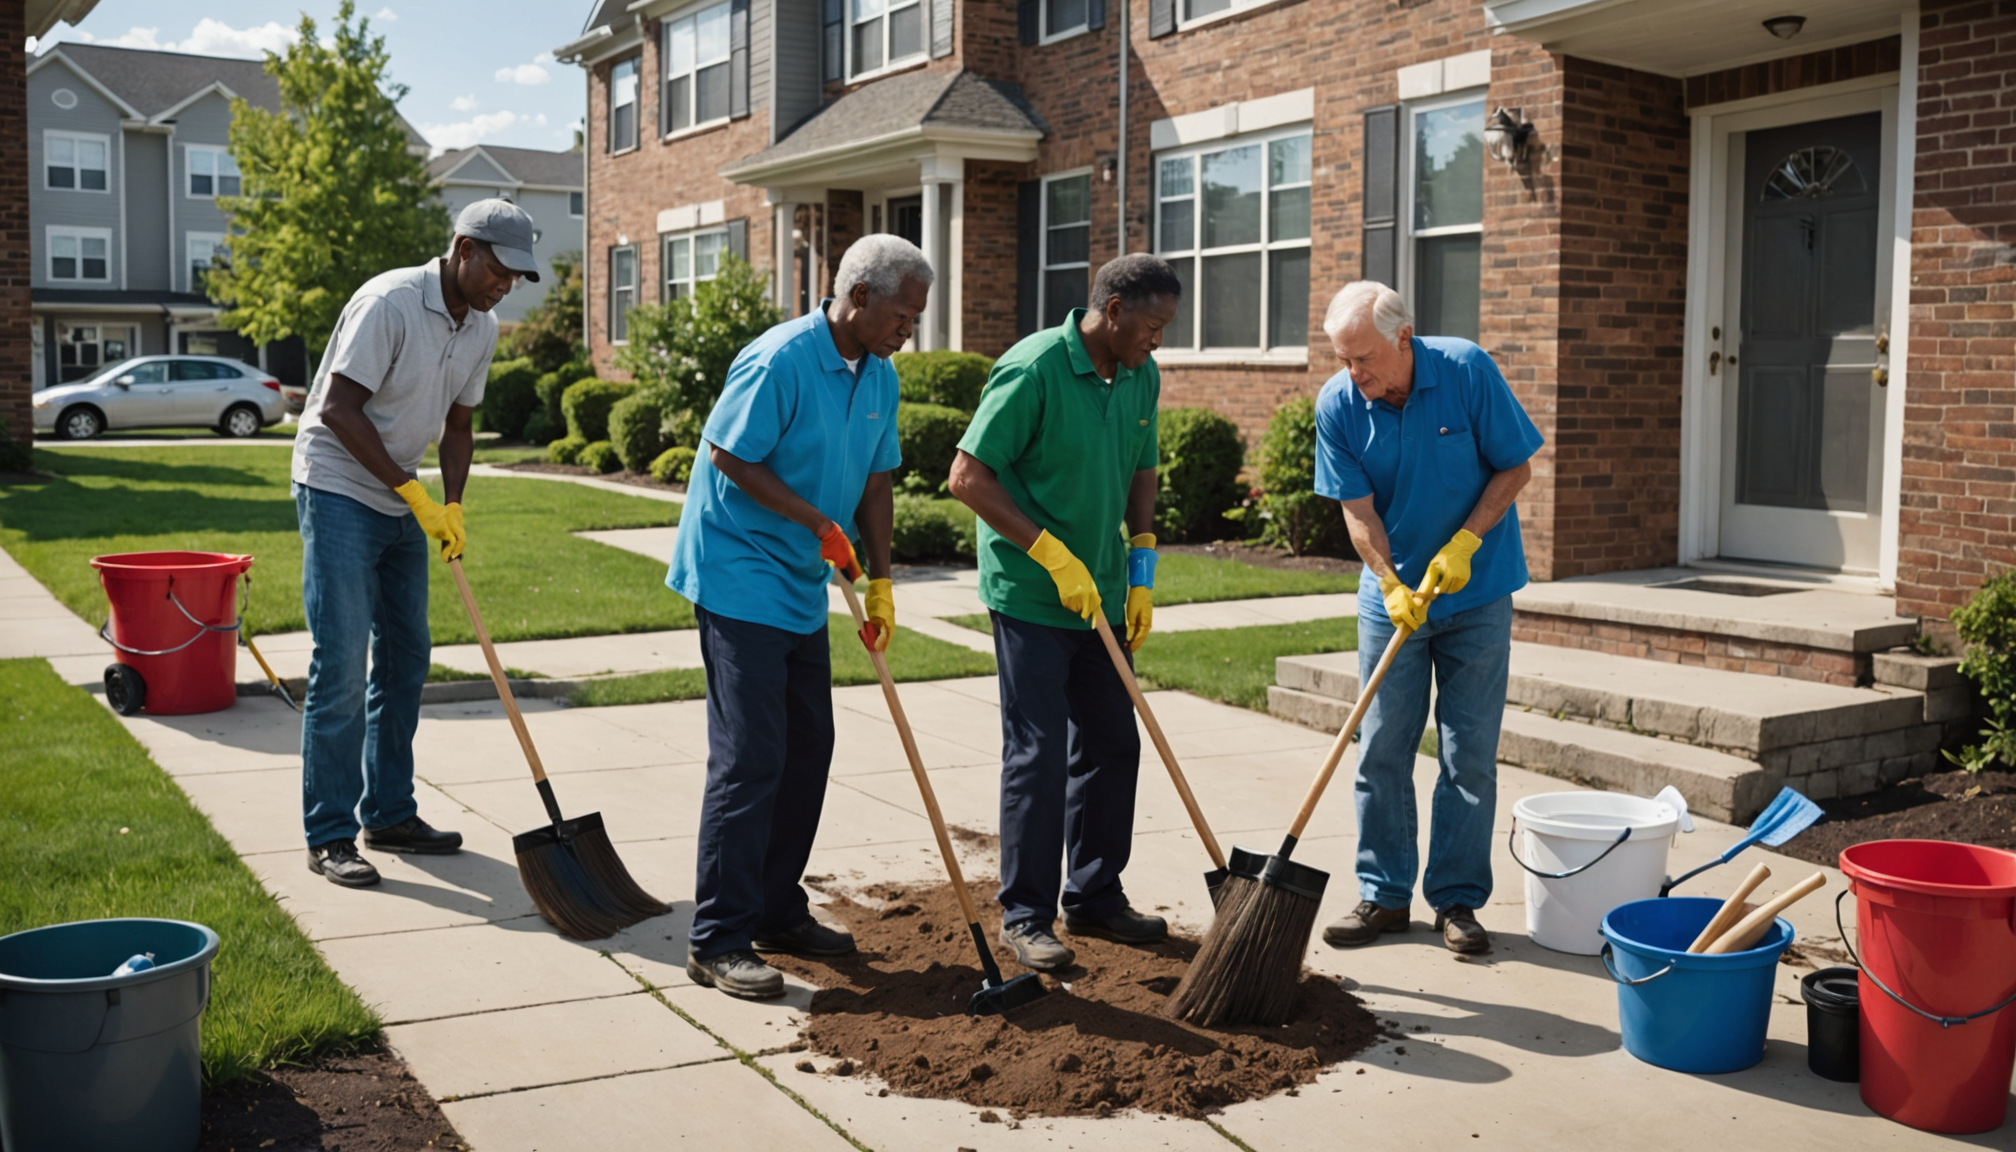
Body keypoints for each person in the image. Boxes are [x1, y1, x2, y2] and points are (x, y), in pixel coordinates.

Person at [667, 234, 928, 999]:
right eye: (901, 314)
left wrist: (881, 581)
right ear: (856, 298)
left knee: (808, 744)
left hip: (800, 579)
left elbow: (878, 481)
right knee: (752, 755)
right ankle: (716, 938)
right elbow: (728, 457)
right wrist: (819, 524)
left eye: (916, 317)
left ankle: (776, 909)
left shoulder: (879, 378)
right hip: (736, 567)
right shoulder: (779, 359)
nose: (909, 329)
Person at [291, 199, 540, 886]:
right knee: (341, 660)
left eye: (517, 276)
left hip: (408, 495)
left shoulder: (482, 326)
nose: (504, 285)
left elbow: (459, 425)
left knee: (408, 657)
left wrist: (451, 504)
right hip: (338, 484)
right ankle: (331, 833)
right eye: (498, 268)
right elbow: (337, 409)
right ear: (463, 248)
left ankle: (390, 811)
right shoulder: (389, 302)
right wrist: (412, 493)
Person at [947, 254, 1183, 971]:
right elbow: (967, 477)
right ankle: (1025, 914)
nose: (1158, 340)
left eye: (1165, 328)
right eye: (1151, 325)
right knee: (1039, 753)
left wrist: (1140, 563)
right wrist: (1049, 554)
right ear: (1112, 311)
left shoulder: (1141, 374)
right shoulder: (1034, 368)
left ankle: (1095, 896)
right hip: (1032, 595)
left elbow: (1142, 466)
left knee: (1114, 743)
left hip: (1104, 593)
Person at [1312, 281, 1543, 954]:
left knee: (1467, 754)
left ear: (1404, 338)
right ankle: (1383, 896)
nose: (1354, 374)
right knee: (1381, 747)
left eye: (1363, 358)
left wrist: (1467, 542)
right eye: (1343, 359)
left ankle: (1457, 901)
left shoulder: (1467, 370)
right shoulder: (1339, 405)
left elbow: (1515, 467)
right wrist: (1388, 585)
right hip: (1394, 602)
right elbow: (1358, 512)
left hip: (1477, 596)